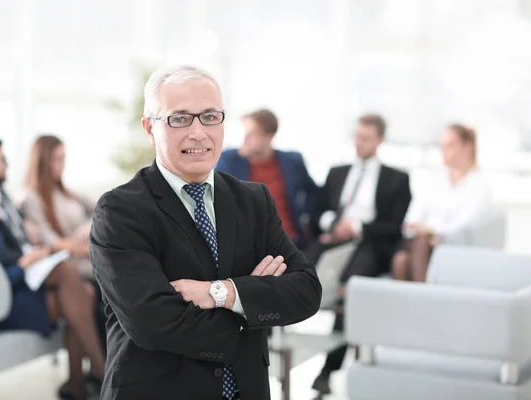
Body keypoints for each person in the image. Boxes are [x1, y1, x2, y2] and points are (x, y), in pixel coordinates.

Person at [90, 65, 322, 400]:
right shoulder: (120, 211)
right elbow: (153, 323)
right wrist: (251, 305)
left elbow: (306, 291)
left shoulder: (253, 200)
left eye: (210, 116)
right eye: (180, 118)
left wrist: (221, 293)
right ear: (149, 128)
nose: (198, 132)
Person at [0, 145, 105, 400]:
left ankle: (82, 384)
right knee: (74, 284)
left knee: (83, 289)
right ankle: (98, 377)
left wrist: (27, 259)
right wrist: (24, 265)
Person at [309, 114, 411, 396]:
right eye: (357, 136)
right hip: (333, 241)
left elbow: (395, 227)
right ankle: (273, 343)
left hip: (369, 245)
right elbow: (316, 213)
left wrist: (357, 228)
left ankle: (328, 370)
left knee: (350, 291)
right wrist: (333, 224)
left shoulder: (397, 179)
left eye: (366, 138)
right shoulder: (337, 172)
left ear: (380, 140)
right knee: (294, 270)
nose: (360, 143)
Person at [392, 123, 494, 282]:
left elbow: (463, 226)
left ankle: (420, 300)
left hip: (449, 247)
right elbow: (411, 220)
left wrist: (432, 231)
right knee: (408, 253)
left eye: (450, 146)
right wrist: (424, 231)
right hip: (420, 242)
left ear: (468, 147)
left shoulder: (480, 188)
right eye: (442, 146)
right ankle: (425, 301)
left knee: (402, 261)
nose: (444, 151)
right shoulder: (433, 181)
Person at [216, 109, 319, 249]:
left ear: (269, 136)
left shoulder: (292, 161)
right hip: (250, 243)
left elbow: (314, 192)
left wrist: (305, 217)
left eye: (252, 134)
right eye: (245, 133)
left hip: (290, 240)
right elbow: (217, 195)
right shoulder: (230, 159)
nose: (245, 139)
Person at [17, 135, 95, 279]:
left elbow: (103, 208)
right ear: (42, 162)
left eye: (63, 158)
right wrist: (89, 250)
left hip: (87, 253)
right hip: (70, 259)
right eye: (56, 159)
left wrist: (89, 226)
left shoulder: (64, 191)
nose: (62, 165)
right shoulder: (30, 197)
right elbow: (52, 242)